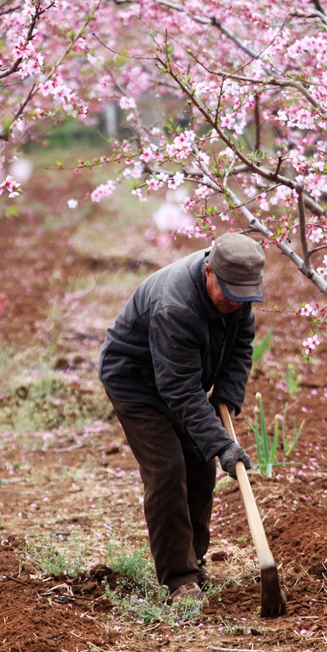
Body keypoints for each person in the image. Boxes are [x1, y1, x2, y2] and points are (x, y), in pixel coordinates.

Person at [98, 233, 264, 603]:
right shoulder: (176, 306)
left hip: (178, 379)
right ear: (209, 272)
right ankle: (179, 579)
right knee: (168, 469)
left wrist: (227, 394)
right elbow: (179, 390)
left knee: (201, 465)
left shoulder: (237, 291)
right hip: (136, 382)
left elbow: (240, 344)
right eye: (230, 294)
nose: (237, 303)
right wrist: (223, 443)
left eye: (244, 297)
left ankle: (194, 559)